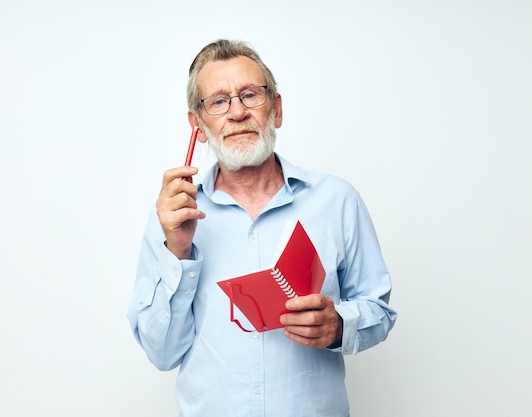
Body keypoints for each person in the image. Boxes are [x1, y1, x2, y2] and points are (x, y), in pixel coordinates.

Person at [127, 39, 397, 417]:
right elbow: (162, 353)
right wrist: (178, 251)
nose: (237, 112)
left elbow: (379, 311)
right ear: (198, 126)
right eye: (218, 102)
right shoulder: (173, 215)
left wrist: (339, 326)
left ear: (277, 109)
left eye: (250, 95)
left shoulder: (337, 201)